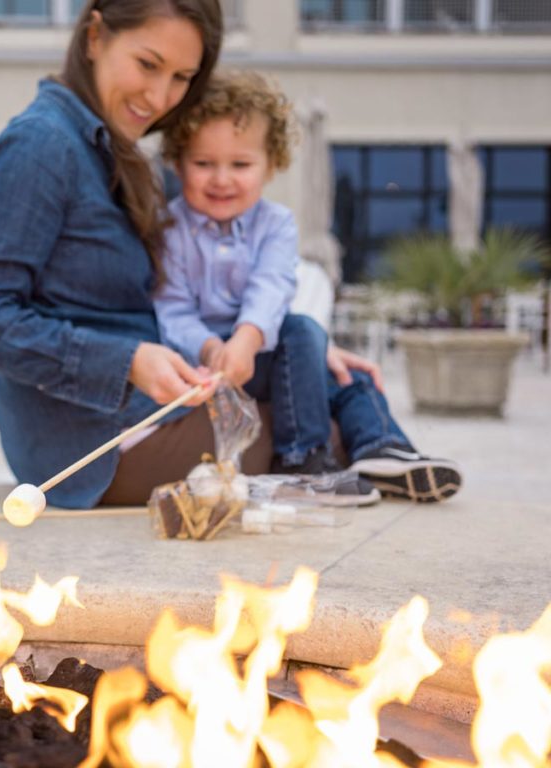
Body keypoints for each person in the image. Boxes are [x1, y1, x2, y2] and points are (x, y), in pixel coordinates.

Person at [0, 0, 226, 510]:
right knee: (326, 433)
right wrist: (126, 362)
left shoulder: (116, 155)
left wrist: (277, 341)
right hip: (96, 454)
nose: (160, 96)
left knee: (316, 377)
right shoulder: (40, 147)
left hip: (146, 420)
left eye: (182, 76)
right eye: (148, 64)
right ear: (94, 37)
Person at [156, 70, 461, 503]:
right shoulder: (171, 230)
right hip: (204, 365)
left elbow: (273, 287)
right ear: (178, 162)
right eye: (204, 164)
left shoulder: (276, 224)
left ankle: (383, 449)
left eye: (240, 164)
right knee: (304, 332)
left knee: (343, 371)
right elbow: (173, 309)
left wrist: (247, 337)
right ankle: (302, 460)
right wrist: (211, 348)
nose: (221, 179)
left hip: (265, 347)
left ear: (271, 164)